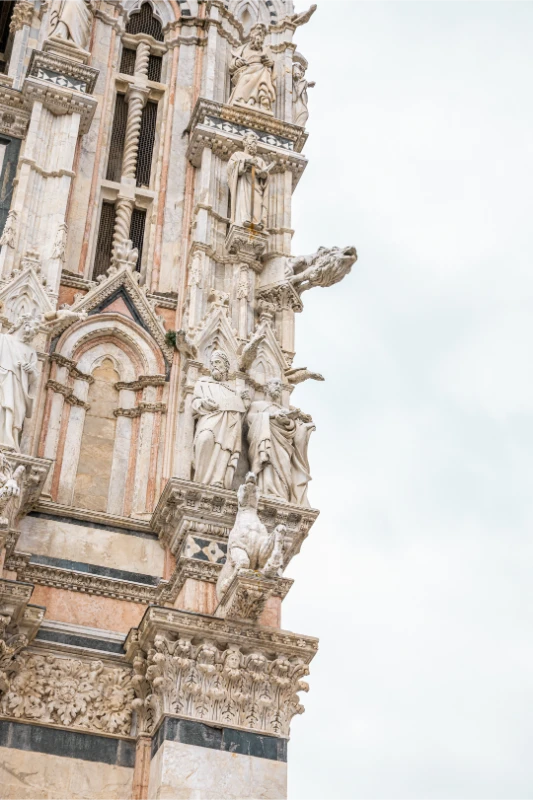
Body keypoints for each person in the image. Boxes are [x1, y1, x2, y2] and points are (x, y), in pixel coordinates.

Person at [192, 350, 248, 489]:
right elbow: (195, 403)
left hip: (229, 425)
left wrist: (245, 402)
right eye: (212, 363)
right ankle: (202, 479)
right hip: (209, 419)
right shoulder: (202, 382)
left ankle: (218, 480)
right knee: (205, 439)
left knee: (225, 449)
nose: (214, 366)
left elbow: (241, 414)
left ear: (226, 365)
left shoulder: (232, 389)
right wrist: (204, 403)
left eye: (217, 362)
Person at [0, 315, 39, 451]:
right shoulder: (3, 339)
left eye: (34, 330)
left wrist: (30, 371)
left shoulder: (30, 351)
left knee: (15, 412)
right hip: (3, 379)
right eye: (30, 327)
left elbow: (35, 379)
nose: (30, 332)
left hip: (19, 385)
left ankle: (11, 441)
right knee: (3, 408)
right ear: (22, 324)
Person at [227, 132, 273, 230]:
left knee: (257, 202)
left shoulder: (259, 160)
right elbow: (230, 170)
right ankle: (244, 219)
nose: (254, 143)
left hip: (256, 186)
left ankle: (257, 222)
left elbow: (265, 176)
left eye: (255, 142)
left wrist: (263, 175)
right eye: (252, 139)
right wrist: (245, 162)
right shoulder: (237, 155)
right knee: (244, 198)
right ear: (244, 141)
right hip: (244, 183)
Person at [229, 23, 276, 114]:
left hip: (260, 71)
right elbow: (231, 67)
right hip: (245, 72)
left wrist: (271, 64)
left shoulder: (265, 51)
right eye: (258, 29)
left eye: (263, 33)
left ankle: (253, 101)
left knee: (265, 72)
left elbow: (272, 66)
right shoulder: (242, 49)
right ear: (251, 33)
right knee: (245, 78)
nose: (260, 32)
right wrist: (237, 63)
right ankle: (241, 100)